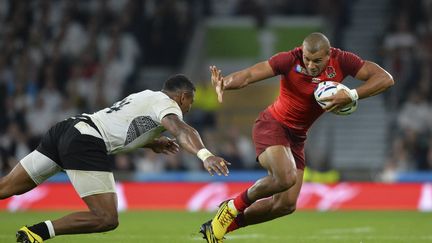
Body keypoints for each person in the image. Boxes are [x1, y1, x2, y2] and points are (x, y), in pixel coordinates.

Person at [199, 32, 394, 242]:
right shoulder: (289, 59)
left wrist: (352, 94)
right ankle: (231, 206)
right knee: (285, 177)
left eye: (317, 61)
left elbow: (386, 79)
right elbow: (249, 75)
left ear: (329, 55)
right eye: (307, 59)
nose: (310, 65)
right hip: (272, 125)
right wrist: (225, 83)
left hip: (297, 137)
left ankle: (220, 227)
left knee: (286, 205)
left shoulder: (344, 61)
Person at [0, 74, 231, 242]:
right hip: (85, 141)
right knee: (106, 218)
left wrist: (151, 143)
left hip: (66, 129)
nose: (190, 107)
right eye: (190, 101)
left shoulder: (145, 96)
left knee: (8, 186)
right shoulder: (168, 105)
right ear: (183, 96)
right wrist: (205, 155)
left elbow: (119, 125)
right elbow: (182, 130)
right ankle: (36, 234)